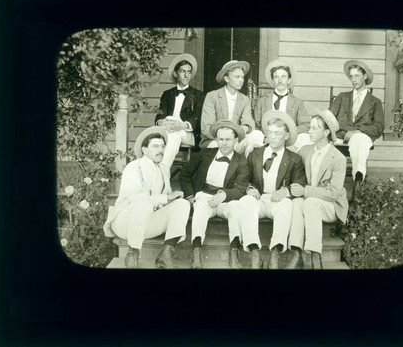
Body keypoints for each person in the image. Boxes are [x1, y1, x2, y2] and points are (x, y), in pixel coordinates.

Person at [103, 127, 190, 269]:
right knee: (143, 205)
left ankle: (166, 253)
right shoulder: (133, 167)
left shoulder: (164, 169)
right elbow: (136, 198)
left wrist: (173, 198)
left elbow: (165, 196)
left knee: (182, 204)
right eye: (155, 146)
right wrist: (165, 198)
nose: (160, 150)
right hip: (126, 223)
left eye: (162, 146)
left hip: (149, 223)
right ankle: (133, 253)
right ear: (144, 149)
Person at [232, 111, 307, 269]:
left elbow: (300, 182)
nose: (272, 137)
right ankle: (254, 253)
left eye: (277, 133)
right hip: (259, 199)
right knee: (245, 201)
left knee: (287, 204)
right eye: (270, 132)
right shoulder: (255, 154)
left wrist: (285, 191)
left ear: (286, 136)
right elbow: (244, 178)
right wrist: (250, 188)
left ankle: (275, 253)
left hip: (278, 202)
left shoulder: (294, 159)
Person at [179, 120, 249, 269]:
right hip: (204, 195)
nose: (224, 143)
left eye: (228, 139)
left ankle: (234, 251)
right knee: (200, 209)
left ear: (236, 140)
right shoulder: (205, 154)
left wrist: (224, 195)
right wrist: (190, 195)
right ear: (216, 140)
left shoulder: (241, 161)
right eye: (221, 139)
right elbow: (184, 174)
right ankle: (196, 251)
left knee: (236, 209)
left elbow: (242, 188)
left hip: (226, 200)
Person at [287, 109, 349, 269]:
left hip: (331, 206)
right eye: (310, 127)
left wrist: (306, 191)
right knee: (298, 203)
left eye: (315, 128)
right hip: (310, 202)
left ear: (326, 132)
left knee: (310, 202)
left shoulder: (338, 158)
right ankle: (296, 253)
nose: (309, 131)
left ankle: (316, 256)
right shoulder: (304, 151)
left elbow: (334, 193)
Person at [329, 60, 385, 188]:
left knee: (359, 139)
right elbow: (329, 118)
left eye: (357, 76)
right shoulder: (342, 97)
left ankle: (358, 179)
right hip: (340, 136)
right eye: (351, 76)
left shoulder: (375, 102)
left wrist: (358, 131)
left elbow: (379, 127)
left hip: (362, 137)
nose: (353, 79)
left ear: (365, 77)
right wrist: (338, 130)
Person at [200, 60, 264, 156]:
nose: (241, 80)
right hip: (216, 141)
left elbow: (249, 123)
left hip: (236, 141)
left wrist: (243, 129)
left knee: (257, 134)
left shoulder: (244, 99)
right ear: (226, 79)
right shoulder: (212, 96)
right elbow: (206, 128)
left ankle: (246, 167)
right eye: (237, 77)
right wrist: (226, 136)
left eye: (242, 77)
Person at [154, 53, 205, 168]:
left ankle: (161, 170)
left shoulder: (198, 95)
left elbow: (197, 118)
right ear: (175, 73)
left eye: (189, 72)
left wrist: (181, 126)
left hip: (187, 133)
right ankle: (159, 171)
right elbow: (160, 115)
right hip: (169, 130)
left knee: (173, 135)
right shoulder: (167, 94)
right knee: (162, 135)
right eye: (183, 71)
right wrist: (162, 122)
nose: (187, 75)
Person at [254, 59, 311, 153]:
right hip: (267, 139)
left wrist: (286, 134)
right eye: (276, 77)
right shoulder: (262, 101)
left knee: (305, 138)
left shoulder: (297, 102)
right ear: (272, 80)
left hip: (288, 141)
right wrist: (267, 137)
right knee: (253, 135)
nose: (280, 81)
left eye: (283, 77)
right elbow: (256, 125)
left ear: (289, 80)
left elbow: (305, 125)